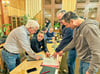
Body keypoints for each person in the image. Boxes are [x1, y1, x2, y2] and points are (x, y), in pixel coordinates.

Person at [53, 10, 76, 74]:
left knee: (70, 63)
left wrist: (57, 50)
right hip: (70, 46)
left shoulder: (68, 26)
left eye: (61, 19)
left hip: (73, 48)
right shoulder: (64, 24)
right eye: (59, 20)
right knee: (69, 62)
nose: (60, 21)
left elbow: (66, 39)